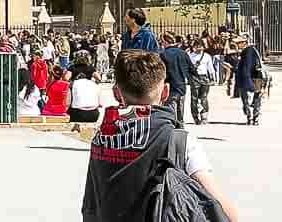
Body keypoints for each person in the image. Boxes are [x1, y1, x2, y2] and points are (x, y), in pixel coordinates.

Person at [81, 48, 238, 222]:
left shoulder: (103, 137)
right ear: (165, 92)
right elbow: (218, 203)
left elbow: (92, 199)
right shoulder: (178, 140)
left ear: (117, 93)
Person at [158, 32, 192, 125]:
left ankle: (173, 128)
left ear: (165, 42)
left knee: (170, 109)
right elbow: (191, 69)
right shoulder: (183, 53)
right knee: (180, 109)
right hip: (181, 85)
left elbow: (161, 72)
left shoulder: (163, 54)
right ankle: (180, 127)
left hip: (169, 85)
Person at [231, 34, 264, 126]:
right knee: (256, 98)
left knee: (247, 99)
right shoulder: (252, 50)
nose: (237, 45)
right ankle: (254, 117)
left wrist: (247, 81)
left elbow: (247, 67)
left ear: (244, 43)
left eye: (238, 43)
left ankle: (251, 117)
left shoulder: (248, 51)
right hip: (256, 78)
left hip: (249, 79)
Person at [68, 59, 100, 137]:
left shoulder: (72, 68)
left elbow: (66, 78)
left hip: (77, 115)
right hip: (93, 115)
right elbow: (98, 78)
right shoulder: (90, 69)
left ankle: (76, 126)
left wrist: (70, 83)